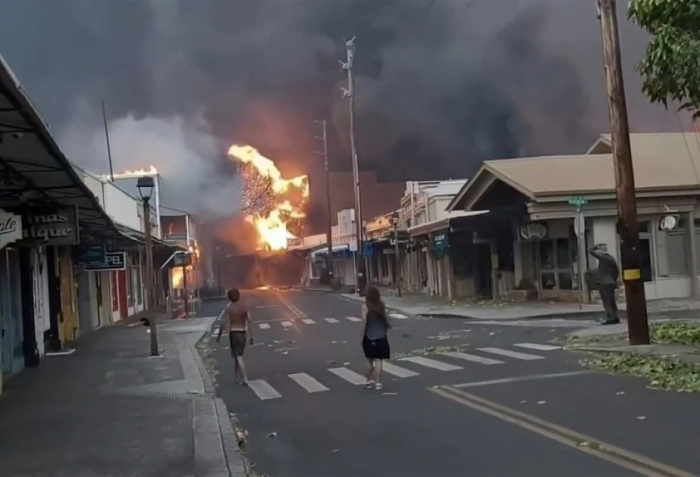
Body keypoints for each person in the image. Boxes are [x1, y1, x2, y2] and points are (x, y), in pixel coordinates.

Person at [217, 288, 253, 385]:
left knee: (238, 355)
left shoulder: (229, 309)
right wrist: (251, 336)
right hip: (243, 333)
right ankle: (237, 377)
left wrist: (219, 336)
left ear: (229, 297)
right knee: (237, 355)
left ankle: (245, 378)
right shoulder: (244, 307)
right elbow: (249, 320)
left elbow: (224, 324)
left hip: (234, 333)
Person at [361, 285, 391, 390]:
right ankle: (378, 382)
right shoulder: (381, 305)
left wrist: (362, 334)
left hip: (369, 336)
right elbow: (385, 318)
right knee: (379, 360)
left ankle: (367, 381)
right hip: (381, 335)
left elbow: (365, 322)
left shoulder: (365, 306)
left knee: (369, 360)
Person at [589, 244, 621, 325]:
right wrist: (613, 280)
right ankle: (615, 316)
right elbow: (616, 272)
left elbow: (591, 251)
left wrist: (595, 247)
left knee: (607, 301)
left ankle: (610, 318)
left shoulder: (603, 258)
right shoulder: (611, 258)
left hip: (604, 283)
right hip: (611, 282)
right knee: (612, 301)